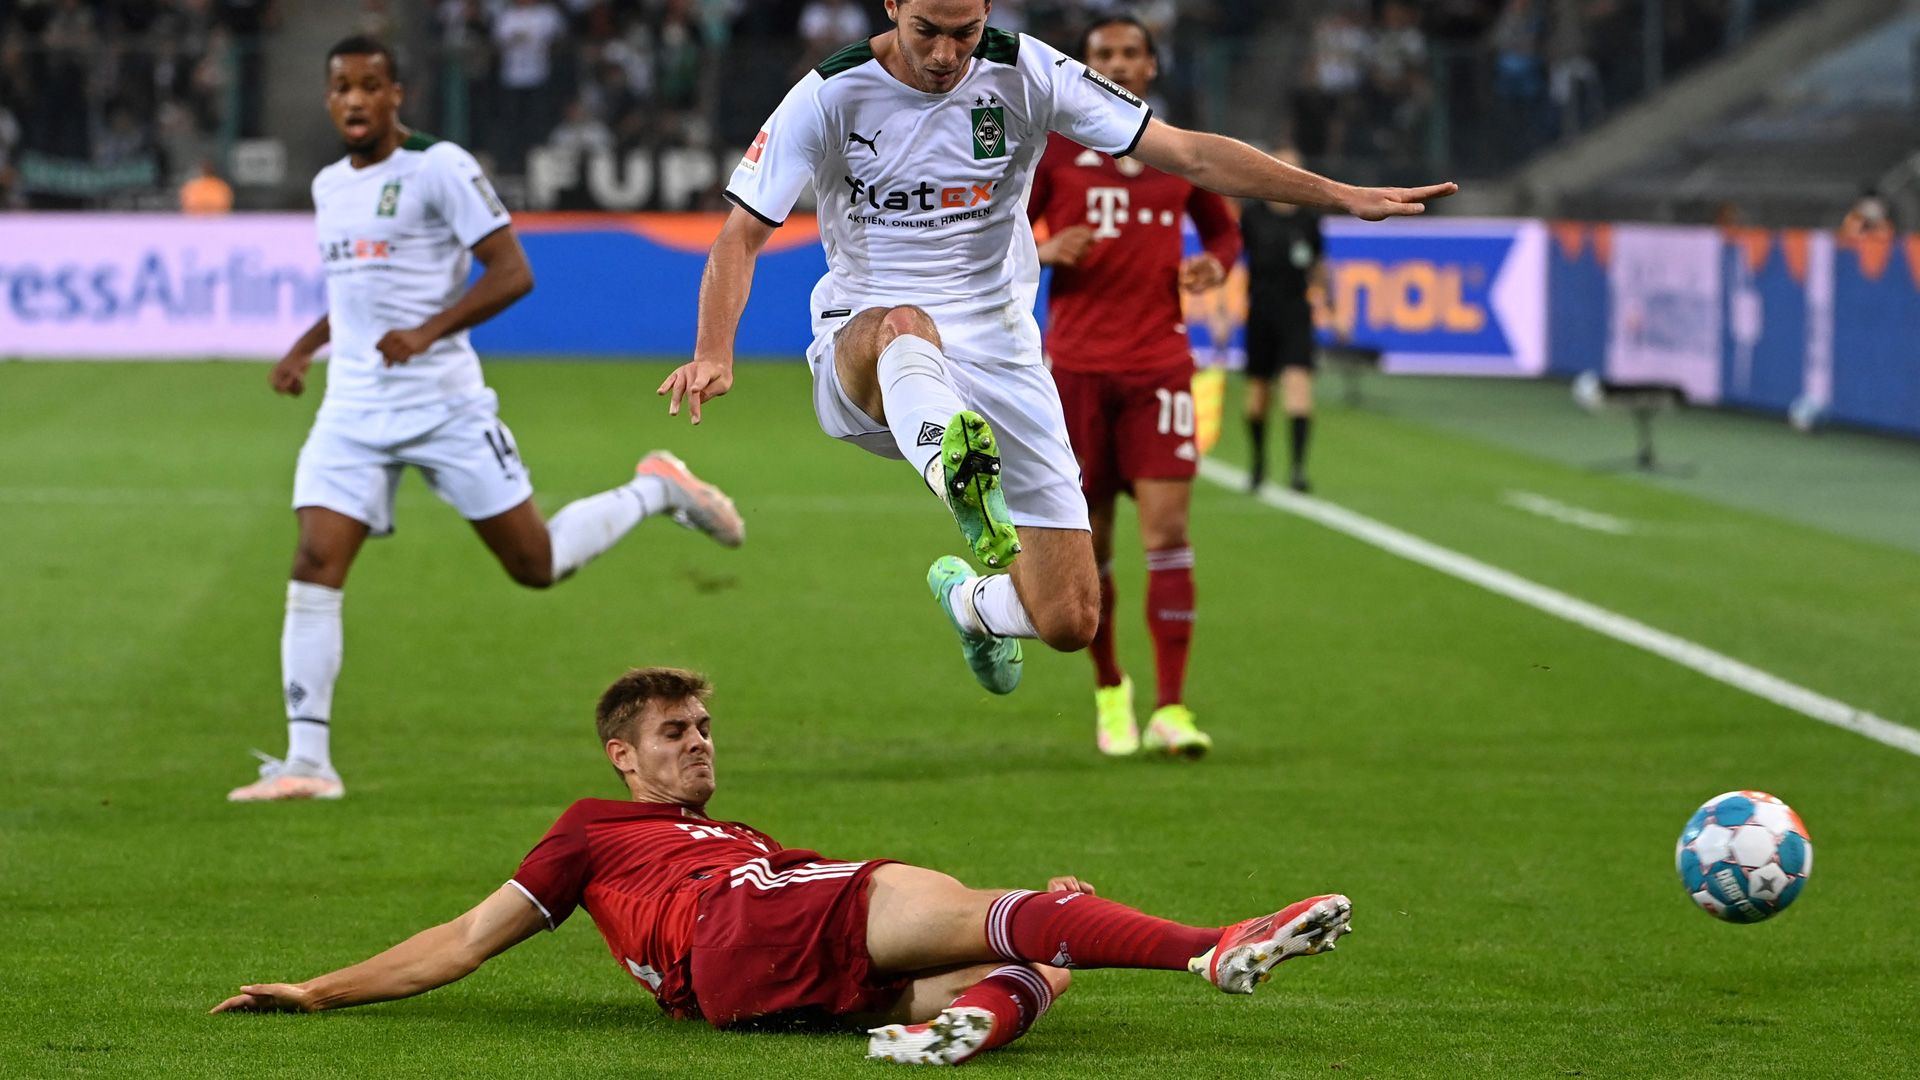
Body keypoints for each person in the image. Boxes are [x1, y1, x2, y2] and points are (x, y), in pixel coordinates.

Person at [655, 0, 1455, 695]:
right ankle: (960, 480)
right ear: (893, 6)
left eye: (965, 34)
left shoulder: (1031, 72)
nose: (945, 56)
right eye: (928, 31)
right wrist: (713, 349)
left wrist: (1342, 195)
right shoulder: (828, 94)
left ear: (989, 15)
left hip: (1003, 358)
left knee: (1069, 617)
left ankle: (972, 603)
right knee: (904, 323)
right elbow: (740, 235)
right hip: (867, 352)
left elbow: (1190, 154)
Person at [212, 667, 1354, 1066]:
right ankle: (1215, 949)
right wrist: (319, 988)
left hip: (737, 992)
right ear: (624, 757)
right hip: (740, 928)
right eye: (675, 733)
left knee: (1048, 955)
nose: (699, 742)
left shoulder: (737, 836)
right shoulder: (594, 829)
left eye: (704, 726)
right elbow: (461, 943)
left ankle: (969, 1028)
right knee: (1013, 909)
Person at [229, 37, 745, 804]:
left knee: (534, 564)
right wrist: (305, 349)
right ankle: (309, 763)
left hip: (442, 402)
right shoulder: (330, 184)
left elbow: (513, 271)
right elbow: (354, 296)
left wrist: (427, 332)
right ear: (329, 97)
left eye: (372, 84)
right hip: (355, 406)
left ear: (397, 92)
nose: (357, 100)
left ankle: (656, 489)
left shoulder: (440, 165)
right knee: (314, 561)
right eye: (343, 87)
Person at [1027, 15, 1237, 758]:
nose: (1117, 62)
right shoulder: (1052, 153)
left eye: (1130, 53)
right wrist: (1046, 248)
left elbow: (1223, 229)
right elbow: (994, 237)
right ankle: (1110, 688)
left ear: (1151, 66)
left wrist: (1216, 263)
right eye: (1103, 54)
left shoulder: (1174, 154)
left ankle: (1172, 708)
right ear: (1082, 69)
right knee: (1095, 546)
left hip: (1159, 366)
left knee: (1170, 535)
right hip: (1077, 371)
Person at [1239, 146, 1327, 493]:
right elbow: (1234, 258)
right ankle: (1258, 463)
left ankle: (1297, 470)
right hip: (1260, 310)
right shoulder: (1254, 213)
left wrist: (1330, 306)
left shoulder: (1309, 218)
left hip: (1295, 312)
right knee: (1259, 395)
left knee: (1298, 387)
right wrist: (1219, 309)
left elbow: (1319, 265)